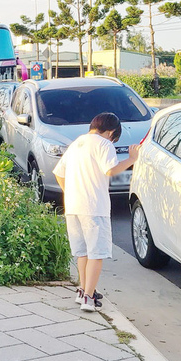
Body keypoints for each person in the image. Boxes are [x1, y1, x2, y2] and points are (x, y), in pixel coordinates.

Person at [53, 112, 139, 312]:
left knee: (82, 253)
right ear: (111, 133)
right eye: (115, 137)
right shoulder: (104, 144)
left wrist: (70, 192)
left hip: (73, 206)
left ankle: (83, 291)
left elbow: (59, 173)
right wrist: (132, 159)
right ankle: (89, 298)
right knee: (96, 253)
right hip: (93, 207)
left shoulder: (77, 143)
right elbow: (110, 170)